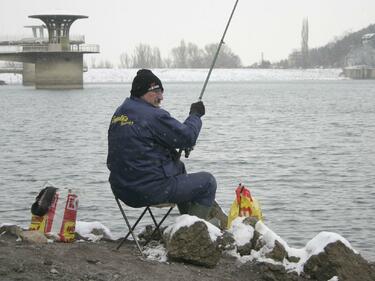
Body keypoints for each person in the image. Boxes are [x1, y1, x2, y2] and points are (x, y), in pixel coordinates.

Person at [107, 69, 222, 221]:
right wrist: (195, 114)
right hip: (147, 190)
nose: (161, 97)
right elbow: (188, 136)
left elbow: (140, 143)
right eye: (156, 91)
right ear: (143, 92)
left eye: (161, 91)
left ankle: (189, 221)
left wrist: (171, 148)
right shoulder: (152, 115)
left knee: (179, 167)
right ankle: (194, 230)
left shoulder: (120, 113)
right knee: (208, 182)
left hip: (122, 190)